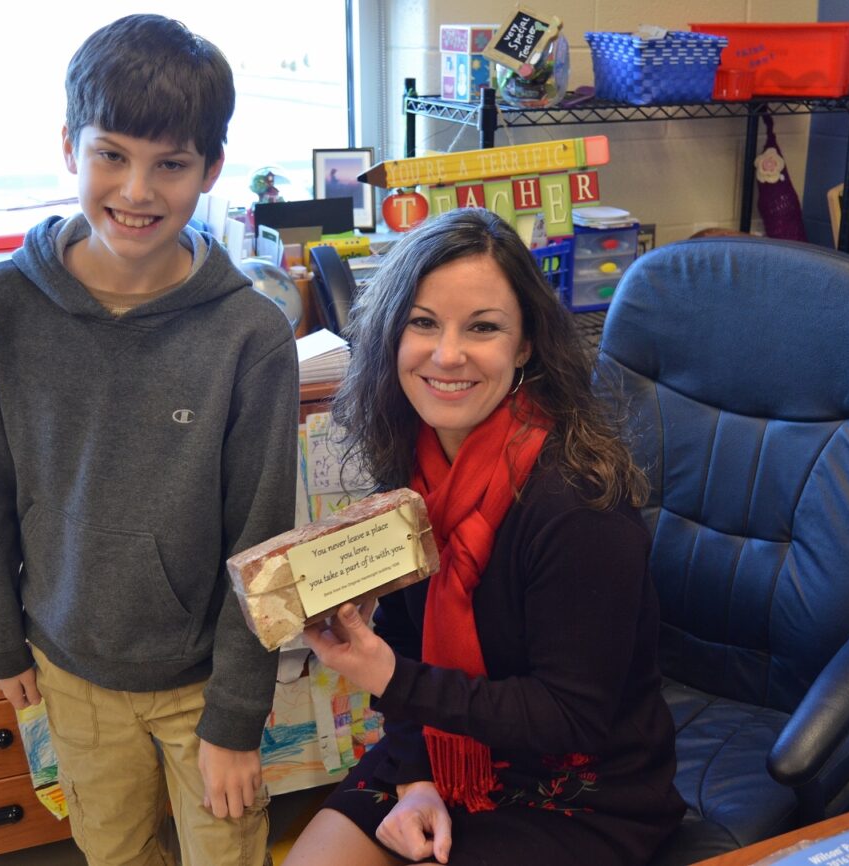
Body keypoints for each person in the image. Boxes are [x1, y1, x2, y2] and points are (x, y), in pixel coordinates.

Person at [0, 14, 299, 866]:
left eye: (170, 164)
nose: (138, 191)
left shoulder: (250, 335)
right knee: (113, 854)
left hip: (204, 681)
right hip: (70, 667)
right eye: (112, 155)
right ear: (71, 146)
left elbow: (262, 539)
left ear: (210, 169)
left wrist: (237, 716)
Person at [283, 208, 684, 866]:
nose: (446, 355)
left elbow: (570, 716)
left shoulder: (576, 503)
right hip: (444, 744)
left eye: (483, 328)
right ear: (392, 334)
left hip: (581, 784)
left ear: (524, 345)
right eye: (423, 323)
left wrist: (385, 675)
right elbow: (414, 645)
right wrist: (415, 782)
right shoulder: (411, 465)